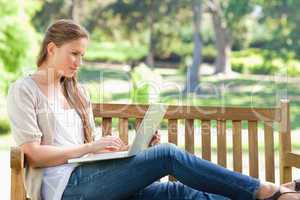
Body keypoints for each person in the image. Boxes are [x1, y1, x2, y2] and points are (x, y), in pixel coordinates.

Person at [6, 19, 300, 200]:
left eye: (82, 55)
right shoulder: (25, 90)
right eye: (74, 54)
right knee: (168, 155)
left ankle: (273, 197)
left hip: (97, 180)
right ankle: (265, 190)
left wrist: (133, 147)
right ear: (51, 49)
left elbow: (89, 152)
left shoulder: (76, 91)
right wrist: (89, 147)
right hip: (66, 190)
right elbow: (33, 153)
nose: (79, 63)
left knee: (179, 193)